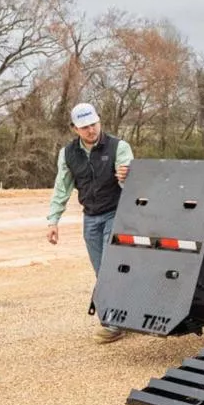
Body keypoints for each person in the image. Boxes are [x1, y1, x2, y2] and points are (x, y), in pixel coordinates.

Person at [47, 102, 134, 344]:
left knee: (108, 269)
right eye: (84, 127)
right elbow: (61, 188)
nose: (91, 130)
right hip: (90, 218)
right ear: (74, 128)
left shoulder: (119, 147)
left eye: (93, 124)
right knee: (101, 271)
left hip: (117, 213)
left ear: (99, 121)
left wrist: (128, 176)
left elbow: (131, 182)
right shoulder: (68, 154)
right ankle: (124, 315)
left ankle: (113, 324)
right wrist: (53, 220)